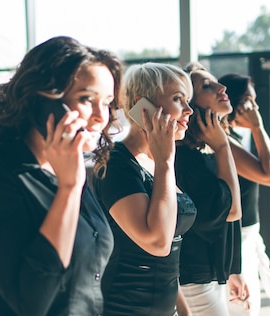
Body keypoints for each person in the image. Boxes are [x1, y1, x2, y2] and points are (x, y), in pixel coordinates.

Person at [0, 36, 122, 315]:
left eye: (106, 103)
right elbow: (29, 300)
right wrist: (69, 189)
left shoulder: (71, 167)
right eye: (86, 99)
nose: (100, 117)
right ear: (43, 102)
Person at [93, 62, 196, 316]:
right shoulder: (116, 163)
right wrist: (165, 162)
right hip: (122, 308)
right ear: (143, 106)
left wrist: (182, 309)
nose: (189, 110)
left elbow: (170, 254)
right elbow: (158, 243)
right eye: (177, 99)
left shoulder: (156, 162)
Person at [175, 62, 246, 316]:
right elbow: (233, 210)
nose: (221, 87)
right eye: (207, 86)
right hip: (193, 278)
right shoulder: (186, 157)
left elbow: (231, 220)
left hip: (211, 274)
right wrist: (224, 147)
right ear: (190, 104)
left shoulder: (204, 149)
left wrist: (233, 270)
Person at [219, 73, 270, 315]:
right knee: (244, 308)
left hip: (247, 236)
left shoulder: (232, 137)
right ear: (232, 101)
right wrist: (258, 126)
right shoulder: (223, 141)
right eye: (248, 100)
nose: (254, 107)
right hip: (237, 238)